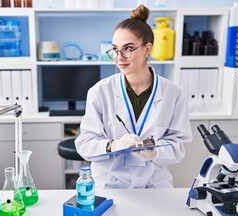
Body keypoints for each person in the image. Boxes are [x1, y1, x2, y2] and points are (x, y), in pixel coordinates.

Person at [75, 5, 192, 189]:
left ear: (147, 49)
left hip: (155, 186)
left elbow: (178, 146)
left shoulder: (173, 94)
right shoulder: (100, 92)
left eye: (128, 48)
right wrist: (114, 145)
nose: (119, 57)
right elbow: (85, 144)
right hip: (111, 184)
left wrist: (156, 152)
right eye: (115, 49)